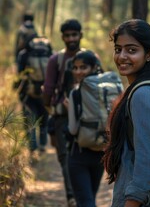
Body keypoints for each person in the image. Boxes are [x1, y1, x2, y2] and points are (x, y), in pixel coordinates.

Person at [103, 19, 150, 207]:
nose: (122, 56)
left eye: (132, 50)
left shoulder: (144, 96)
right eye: (118, 49)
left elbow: (148, 162)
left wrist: (131, 203)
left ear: (149, 55)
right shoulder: (147, 89)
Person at [43, 19, 85, 207]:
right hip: (61, 116)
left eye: (74, 35)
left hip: (86, 117)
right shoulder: (55, 60)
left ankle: (82, 195)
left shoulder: (91, 57)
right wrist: (50, 109)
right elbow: (49, 87)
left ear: (80, 35)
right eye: (67, 35)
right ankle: (72, 197)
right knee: (65, 157)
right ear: (62, 37)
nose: (71, 39)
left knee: (82, 156)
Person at [68, 50, 104, 207]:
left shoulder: (75, 93)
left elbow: (73, 130)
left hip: (79, 155)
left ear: (93, 67)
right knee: (90, 200)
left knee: (85, 202)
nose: (78, 72)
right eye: (75, 68)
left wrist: (70, 108)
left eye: (83, 67)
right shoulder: (107, 89)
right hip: (101, 154)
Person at [17, 36, 52, 155]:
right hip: (45, 92)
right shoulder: (49, 52)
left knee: (30, 119)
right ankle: (43, 146)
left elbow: (20, 73)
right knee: (44, 118)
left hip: (29, 92)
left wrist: (19, 90)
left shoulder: (24, 54)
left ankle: (32, 150)